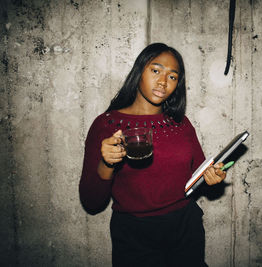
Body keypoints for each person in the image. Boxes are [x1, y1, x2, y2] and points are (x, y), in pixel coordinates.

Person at [79, 43, 226, 267]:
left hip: (185, 228)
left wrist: (212, 179)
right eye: (156, 70)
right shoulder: (106, 124)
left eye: (173, 76)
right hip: (134, 235)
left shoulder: (181, 124)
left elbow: (199, 177)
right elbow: (91, 202)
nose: (163, 81)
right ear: (139, 72)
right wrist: (107, 162)